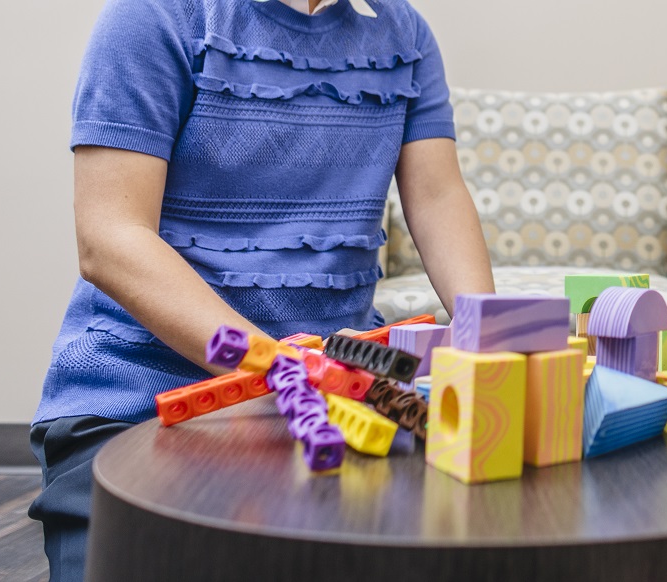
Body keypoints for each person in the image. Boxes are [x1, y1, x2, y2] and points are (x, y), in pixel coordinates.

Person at [29, 0, 494, 579]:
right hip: (141, 401)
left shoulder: (405, 33)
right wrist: (277, 367)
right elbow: (111, 236)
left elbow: (437, 195)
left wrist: (491, 335)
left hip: (330, 401)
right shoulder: (155, 15)